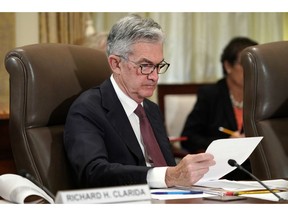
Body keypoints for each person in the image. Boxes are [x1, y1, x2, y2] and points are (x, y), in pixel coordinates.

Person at [64, 14, 215, 189]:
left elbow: (167, 168)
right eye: (145, 66)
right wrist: (169, 176)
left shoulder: (151, 109)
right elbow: (93, 173)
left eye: (158, 66)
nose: (155, 76)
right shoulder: (88, 109)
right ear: (116, 64)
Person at [180, 36, 258, 180]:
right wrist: (225, 144)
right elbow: (189, 137)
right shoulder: (210, 95)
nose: (251, 71)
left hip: (258, 170)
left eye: (255, 65)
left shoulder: (263, 96)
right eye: (245, 65)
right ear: (228, 66)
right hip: (221, 173)